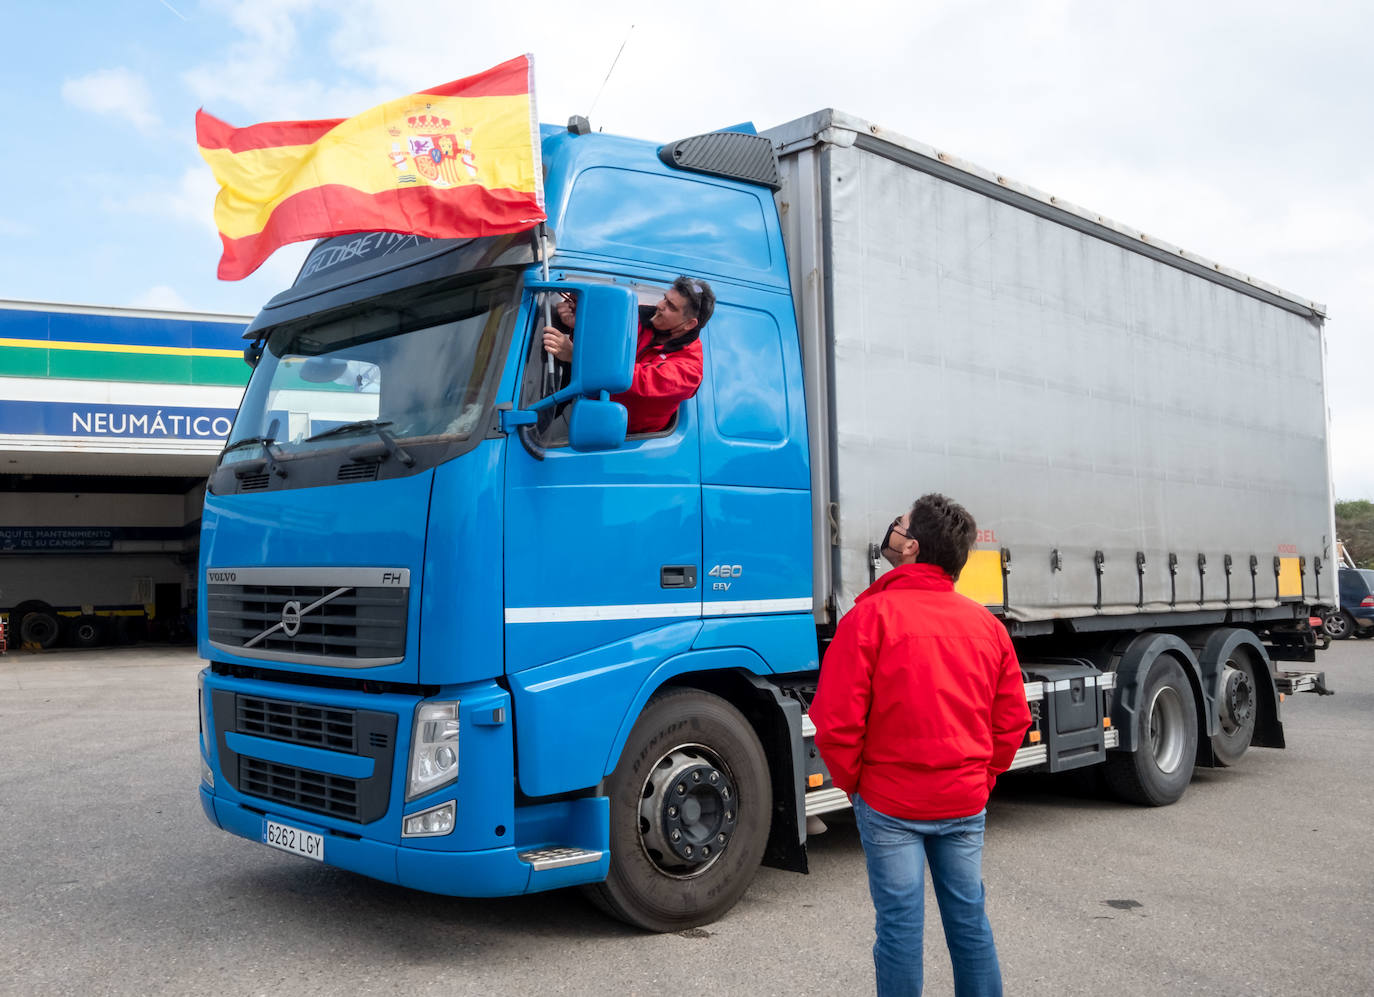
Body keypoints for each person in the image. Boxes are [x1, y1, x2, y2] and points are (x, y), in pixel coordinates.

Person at [809, 493, 1031, 997]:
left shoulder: (868, 619)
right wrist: (983, 776)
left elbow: (835, 722)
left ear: (912, 547)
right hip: (962, 798)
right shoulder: (987, 627)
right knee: (969, 921)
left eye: (902, 524)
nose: (893, 528)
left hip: (888, 801)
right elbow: (1012, 720)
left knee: (900, 929)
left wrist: (857, 787)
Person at [542, 275, 713, 435]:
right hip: (582, 402)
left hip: (614, 440)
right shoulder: (642, 317)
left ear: (689, 324)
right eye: (665, 298)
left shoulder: (688, 372)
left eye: (671, 306)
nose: (660, 305)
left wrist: (578, 357)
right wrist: (579, 325)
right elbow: (605, 340)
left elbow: (632, 380)